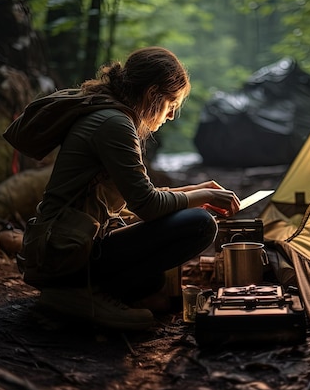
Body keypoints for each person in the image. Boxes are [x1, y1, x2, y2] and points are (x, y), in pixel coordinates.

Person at [25, 47, 240, 330]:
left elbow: (139, 196)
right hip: (63, 252)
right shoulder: (114, 123)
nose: (172, 115)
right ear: (153, 94)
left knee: (154, 282)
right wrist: (204, 196)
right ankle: (82, 296)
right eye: (171, 104)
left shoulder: (111, 115)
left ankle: (75, 292)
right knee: (200, 224)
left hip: (68, 245)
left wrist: (196, 189)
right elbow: (148, 205)